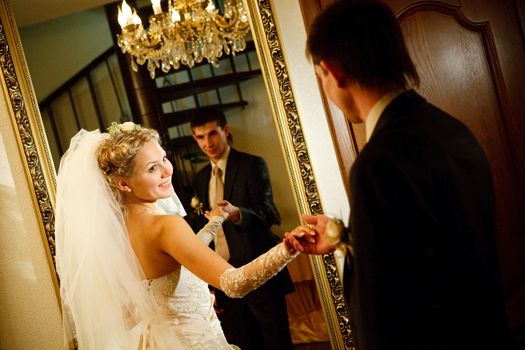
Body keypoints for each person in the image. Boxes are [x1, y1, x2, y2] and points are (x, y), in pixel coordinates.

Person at [290, 1, 513, 349]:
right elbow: (427, 247)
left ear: (333, 73)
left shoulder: (376, 164)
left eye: (320, 78)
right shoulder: (453, 131)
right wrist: (347, 236)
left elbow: (382, 315)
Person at [54, 122, 316, 349]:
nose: (167, 170)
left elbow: (181, 253)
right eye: (152, 168)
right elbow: (234, 284)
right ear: (124, 183)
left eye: (164, 159)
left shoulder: (118, 229)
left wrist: (215, 222)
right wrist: (288, 249)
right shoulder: (166, 225)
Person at [187, 108, 295, 350]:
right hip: (224, 281)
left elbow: (270, 214)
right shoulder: (200, 179)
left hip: (259, 278)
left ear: (225, 130)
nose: (207, 142)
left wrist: (238, 214)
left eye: (212, 134)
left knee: (278, 345)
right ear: (194, 139)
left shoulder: (252, 164)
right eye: (200, 137)